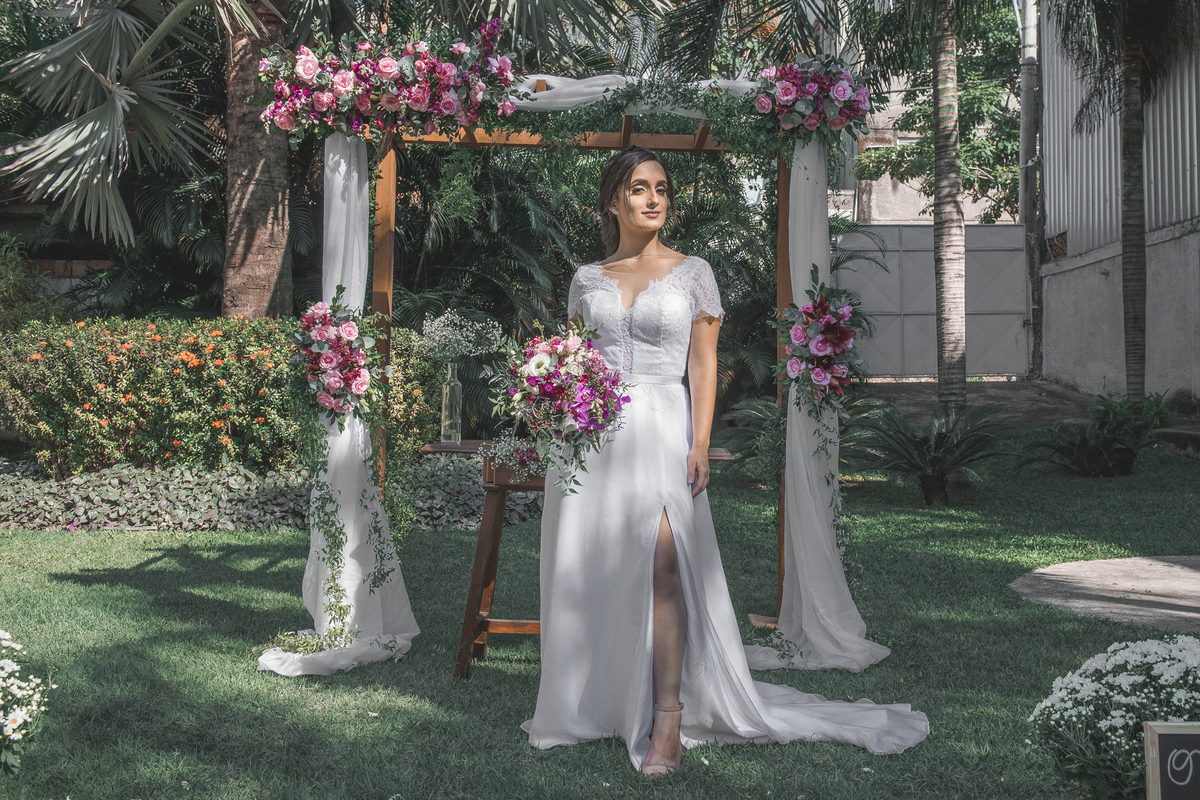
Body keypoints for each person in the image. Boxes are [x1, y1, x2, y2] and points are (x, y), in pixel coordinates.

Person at [523, 145, 929, 777]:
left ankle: (668, 720)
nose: (653, 198)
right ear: (613, 200)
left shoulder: (694, 273)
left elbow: (703, 364)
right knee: (597, 567)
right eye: (637, 187)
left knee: (665, 564)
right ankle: (596, 699)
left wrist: (699, 441)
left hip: (664, 428)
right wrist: (548, 394)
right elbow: (575, 359)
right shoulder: (586, 279)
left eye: (661, 187)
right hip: (593, 439)